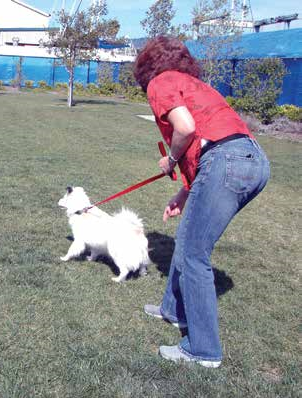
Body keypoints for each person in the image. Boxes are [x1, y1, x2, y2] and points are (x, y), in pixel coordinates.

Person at [133, 36, 270, 368]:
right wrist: (184, 193)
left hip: (225, 162)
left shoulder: (160, 81)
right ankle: (172, 310)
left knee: (194, 252)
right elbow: (212, 141)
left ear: (147, 64)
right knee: (189, 240)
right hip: (253, 162)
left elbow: (186, 128)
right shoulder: (193, 84)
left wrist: (170, 160)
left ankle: (203, 350)